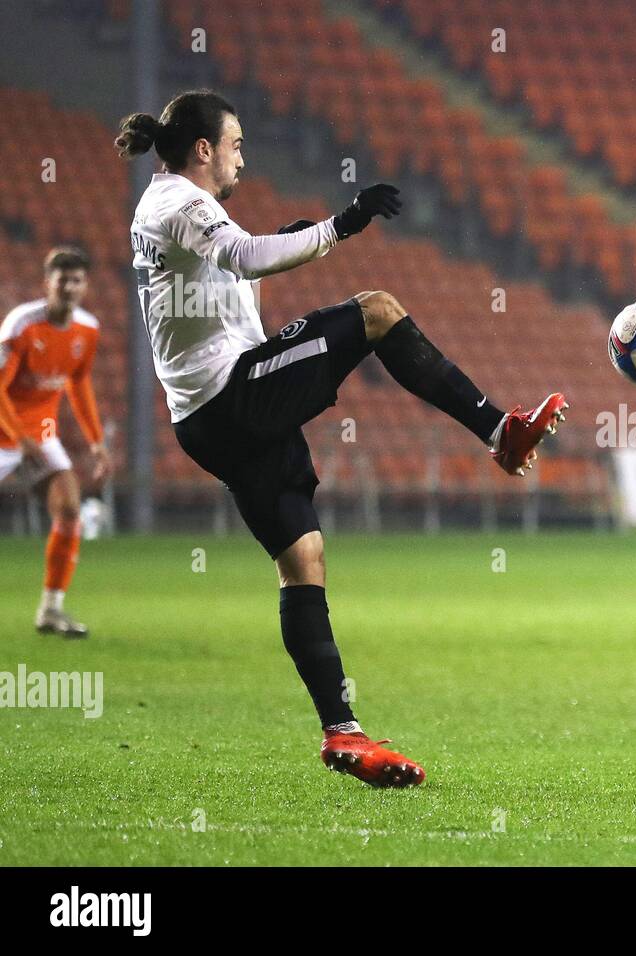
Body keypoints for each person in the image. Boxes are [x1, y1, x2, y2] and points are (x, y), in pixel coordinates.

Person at [118, 89, 566, 787]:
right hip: (233, 396)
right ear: (203, 149)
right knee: (378, 312)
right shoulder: (182, 202)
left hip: (208, 417)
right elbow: (242, 256)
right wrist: (341, 225)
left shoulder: (168, 207)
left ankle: (343, 735)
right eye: (236, 144)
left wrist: (299, 239)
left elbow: (225, 276)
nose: (243, 156)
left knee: (304, 561)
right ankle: (500, 431)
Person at [0, 246, 112, 637]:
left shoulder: (88, 329)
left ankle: (51, 609)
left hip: (41, 433)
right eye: (61, 280)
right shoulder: (21, 325)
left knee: (69, 509)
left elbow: (78, 383)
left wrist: (96, 441)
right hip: (4, 431)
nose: (68, 287)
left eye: (76, 280)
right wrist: (18, 437)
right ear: (47, 283)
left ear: (85, 286)